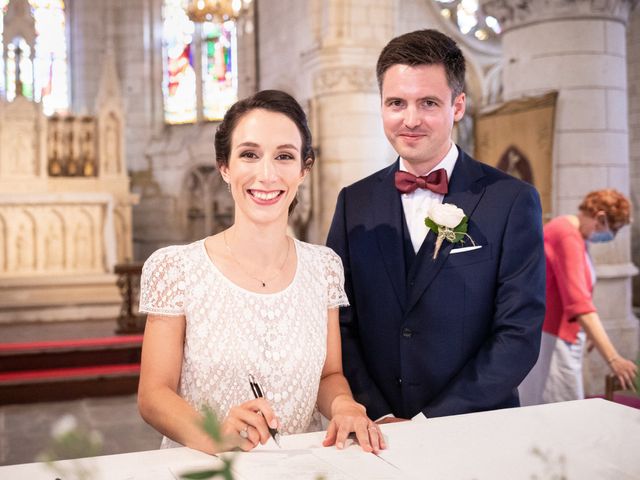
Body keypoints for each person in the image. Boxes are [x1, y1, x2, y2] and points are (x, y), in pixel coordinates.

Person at [138, 90, 384, 454]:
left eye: (284, 156)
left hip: (302, 466)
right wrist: (214, 434)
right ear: (225, 166)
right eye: (249, 155)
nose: (267, 174)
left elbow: (328, 375)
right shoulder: (175, 269)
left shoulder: (324, 267)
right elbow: (154, 395)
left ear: (304, 169)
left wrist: (343, 405)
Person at [326, 29, 546, 422]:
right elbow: (339, 323)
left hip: (477, 425)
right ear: (381, 105)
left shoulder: (510, 201)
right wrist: (375, 412)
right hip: (376, 429)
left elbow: (518, 334)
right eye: (396, 103)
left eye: (428, 103)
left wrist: (433, 420)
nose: (410, 120)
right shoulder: (352, 202)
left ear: (457, 106)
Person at [519, 189, 638, 405]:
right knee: (560, 409)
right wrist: (613, 358)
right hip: (551, 336)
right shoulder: (567, 235)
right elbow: (578, 304)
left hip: (559, 332)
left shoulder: (575, 234)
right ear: (601, 217)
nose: (612, 236)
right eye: (615, 229)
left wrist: (592, 333)